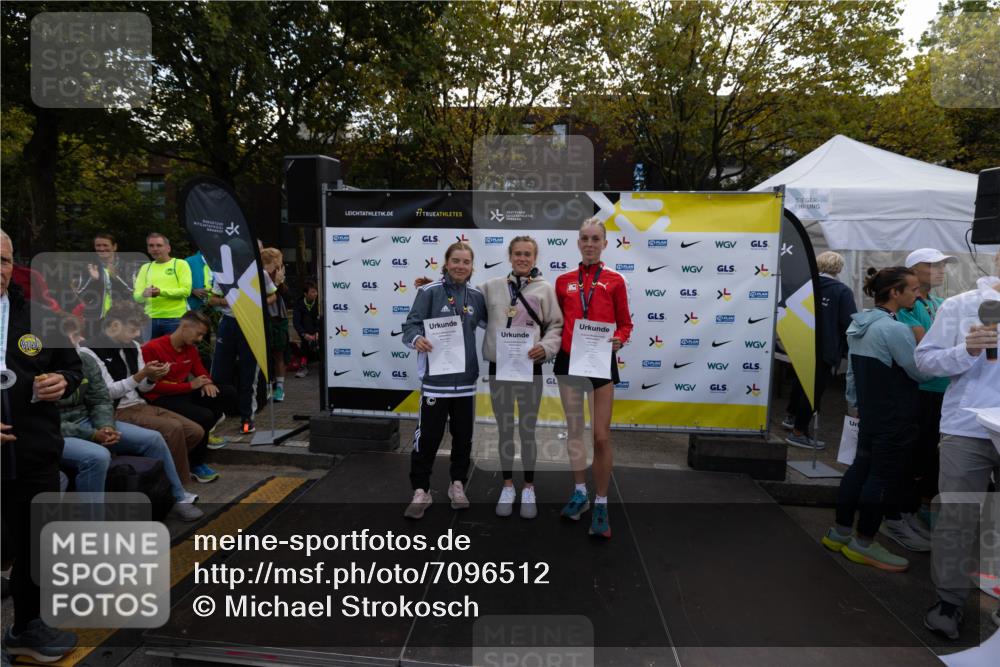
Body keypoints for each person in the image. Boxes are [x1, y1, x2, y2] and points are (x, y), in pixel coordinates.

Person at [1, 231, 83, 662]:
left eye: (4, 260)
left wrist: (63, 382)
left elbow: (73, 369)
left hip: (34, 451)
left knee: (35, 543)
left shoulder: (38, 317)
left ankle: (27, 626)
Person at [821, 266, 932, 572]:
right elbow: (920, 371)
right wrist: (926, 344)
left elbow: (854, 373)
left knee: (860, 469)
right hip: (895, 416)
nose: (918, 294)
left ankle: (840, 533)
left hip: (871, 412)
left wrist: (854, 404)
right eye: (912, 289)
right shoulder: (895, 330)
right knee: (881, 478)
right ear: (894, 293)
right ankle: (864, 544)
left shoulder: (861, 324)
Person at [916, 250, 1000, 640]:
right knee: (959, 515)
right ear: (998, 260)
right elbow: (926, 362)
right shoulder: (961, 305)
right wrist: (965, 351)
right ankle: (949, 600)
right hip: (968, 428)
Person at [56, 314, 203, 521]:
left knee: (154, 438)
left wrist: (105, 425)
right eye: (72, 336)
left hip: (96, 420)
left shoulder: (85, 358)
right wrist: (93, 434)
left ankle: (178, 498)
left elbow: (100, 399)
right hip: (62, 430)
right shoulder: (47, 366)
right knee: (97, 456)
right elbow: (47, 419)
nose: (79, 340)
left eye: (77, 334)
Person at [553, 218, 633, 539]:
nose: (589, 243)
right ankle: (579, 493)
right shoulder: (563, 281)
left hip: (601, 362)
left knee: (600, 436)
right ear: (578, 243)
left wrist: (619, 339)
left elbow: (626, 323)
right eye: (584, 238)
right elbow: (555, 322)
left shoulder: (615, 280)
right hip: (570, 361)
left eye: (595, 239)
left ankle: (601, 502)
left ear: (605, 243)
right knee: (574, 431)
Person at [402, 241, 487, 519]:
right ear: (446, 262)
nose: (461, 266)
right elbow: (410, 326)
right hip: (435, 382)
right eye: (456, 261)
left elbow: (496, 322)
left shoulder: (476, 295)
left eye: (466, 262)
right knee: (427, 438)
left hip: (465, 382)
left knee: (463, 438)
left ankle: (457, 484)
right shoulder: (428, 292)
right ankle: (421, 490)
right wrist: (417, 338)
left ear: (472, 266)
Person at [480, 237, 563, 518]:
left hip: (530, 368)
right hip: (500, 368)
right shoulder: (492, 287)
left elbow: (556, 325)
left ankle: (528, 487)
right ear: (510, 256)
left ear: (535, 257)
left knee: (527, 430)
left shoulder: (545, 289)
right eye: (518, 254)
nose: (522, 258)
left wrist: (547, 347)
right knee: (504, 428)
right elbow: (463, 300)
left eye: (528, 254)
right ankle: (507, 486)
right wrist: (433, 286)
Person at [82, 301, 205, 485]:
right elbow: (107, 393)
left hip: (140, 404)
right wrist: (141, 375)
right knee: (174, 429)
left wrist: (152, 377)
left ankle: (158, 474)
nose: (138, 334)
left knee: (195, 431)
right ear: (115, 325)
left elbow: (145, 388)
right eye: (133, 329)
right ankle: (178, 486)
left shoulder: (133, 345)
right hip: (116, 411)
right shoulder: (89, 350)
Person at [896, 248, 957, 529]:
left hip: (943, 389)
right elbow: (923, 343)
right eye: (933, 265)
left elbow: (953, 338)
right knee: (916, 451)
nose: (941, 269)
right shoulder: (909, 306)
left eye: (942, 264)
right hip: (920, 389)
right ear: (914, 270)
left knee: (937, 451)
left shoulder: (940, 302)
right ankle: (904, 509)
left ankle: (924, 504)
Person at [141, 310, 237, 483]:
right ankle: (196, 464)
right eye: (199, 334)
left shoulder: (190, 349)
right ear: (184, 327)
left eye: (203, 335)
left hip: (182, 392)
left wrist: (207, 382)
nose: (200, 339)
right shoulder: (152, 348)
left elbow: (199, 370)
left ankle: (204, 435)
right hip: (161, 398)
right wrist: (189, 386)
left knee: (226, 392)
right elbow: (150, 388)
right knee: (205, 416)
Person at [784, 251, 857, 449]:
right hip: (825, 349)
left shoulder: (805, 286)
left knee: (801, 383)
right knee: (813, 391)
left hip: (801, 344)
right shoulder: (842, 291)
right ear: (839, 268)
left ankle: (791, 418)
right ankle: (798, 432)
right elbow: (850, 323)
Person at [133, 233, 192, 339]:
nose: (155, 249)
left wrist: (160, 292)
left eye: (159, 245)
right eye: (151, 246)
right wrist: (144, 294)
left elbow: (186, 291)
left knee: (173, 354)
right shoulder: (145, 267)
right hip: (149, 319)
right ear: (148, 249)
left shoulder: (180, 264)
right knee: (150, 354)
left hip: (175, 318)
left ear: (168, 248)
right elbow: (137, 297)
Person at [261, 248, 289, 402]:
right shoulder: (258, 274)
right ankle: (265, 386)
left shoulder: (279, 273)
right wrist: (275, 283)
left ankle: (280, 388)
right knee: (264, 354)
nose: (280, 263)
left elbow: (284, 294)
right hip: (264, 316)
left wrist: (280, 282)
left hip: (278, 316)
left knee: (279, 353)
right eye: (278, 260)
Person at [292, 280, 322, 378]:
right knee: (306, 319)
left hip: (317, 332)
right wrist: (304, 334)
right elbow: (296, 322)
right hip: (306, 333)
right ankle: (303, 366)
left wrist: (318, 332)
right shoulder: (298, 304)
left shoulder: (320, 303)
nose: (315, 294)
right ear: (305, 294)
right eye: (312, 292)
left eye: (316, 291)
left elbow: (320, 320)